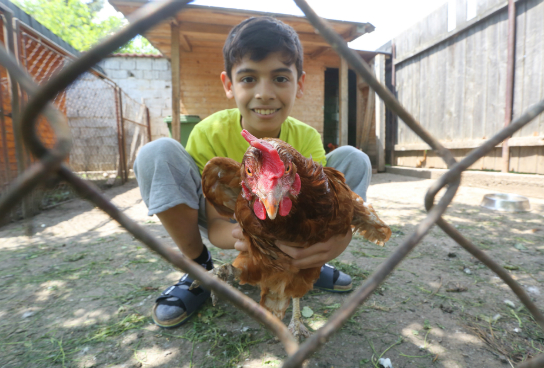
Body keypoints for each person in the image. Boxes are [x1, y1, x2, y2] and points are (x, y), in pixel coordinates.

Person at [133, 16, 373, 328]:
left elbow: (323, 207)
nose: (264, 93)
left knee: (353, 159)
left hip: (295, 228)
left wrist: (339, 239)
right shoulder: (209, 133)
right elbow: (219, 224)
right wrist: (251, 240)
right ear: (228, 85)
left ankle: (311, 261)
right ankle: (199, 268)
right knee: (156, 153)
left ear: (299, 84)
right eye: (248, 79)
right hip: (234, 224)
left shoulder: (306, 138)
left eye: (280, 78)